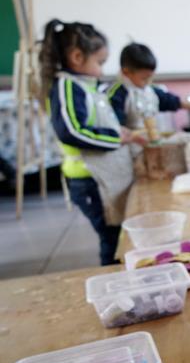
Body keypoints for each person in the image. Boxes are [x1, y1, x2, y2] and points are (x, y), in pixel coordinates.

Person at [41, 20, 145, 265]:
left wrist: (122, 132)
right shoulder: (67, 86)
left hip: (102, 177)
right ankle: (113, 278)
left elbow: (97, 122)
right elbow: (71, 131)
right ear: (77, 57)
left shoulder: (87, 86)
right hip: (89, 179)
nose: (101, 71)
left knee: (118, 235)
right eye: (99, 62)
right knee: (111, 239)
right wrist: (116, 138)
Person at [105, 42, 190, 130]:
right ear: (126, 72)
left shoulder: (149, 90)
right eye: (144, 78)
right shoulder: (117, 93)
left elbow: (169, 100)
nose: (148, 82)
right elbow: (116, 124)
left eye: (150, 77)